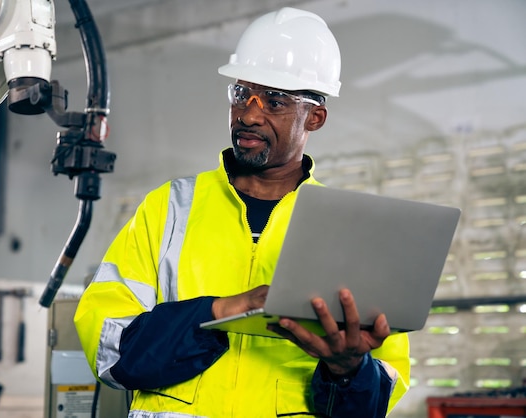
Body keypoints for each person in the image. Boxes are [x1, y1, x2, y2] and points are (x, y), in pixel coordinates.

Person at [75, 7, 410, 418]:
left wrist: (347, 369)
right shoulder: (169, 207)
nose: (249, 114)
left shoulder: (349, 230)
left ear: (315, 118)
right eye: (241, 94)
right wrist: (221, 311)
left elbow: (376, 401)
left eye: (274, 100)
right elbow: (110, 352)